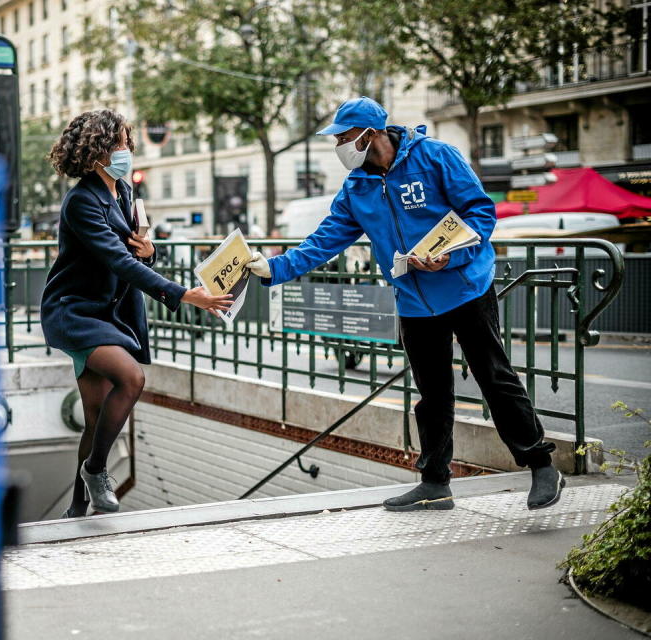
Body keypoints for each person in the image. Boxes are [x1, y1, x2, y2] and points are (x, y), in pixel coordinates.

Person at [246, 96, 564, 512]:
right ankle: (435, 482)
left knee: (494, 377)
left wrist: (451, 256)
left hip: (465, 287)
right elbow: (324, 240)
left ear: (370, 133)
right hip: (413, 300)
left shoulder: (435, 158)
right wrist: (275, 268)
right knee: (432, 395)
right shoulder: (357, 187)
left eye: (344, 137)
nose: (339, 145)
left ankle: (542, 465)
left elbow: (481, 213)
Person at [40, 110, 232, 518]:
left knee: (94, 417)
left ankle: (75, 508)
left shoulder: (123, 193)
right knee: (131, 378)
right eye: (123, 143)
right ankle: (96, 471)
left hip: (108, 312)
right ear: (98, 152)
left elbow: (132, 250)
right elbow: (117, 261)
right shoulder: (80, 202)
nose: (129, 149)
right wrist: (184, 294)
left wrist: (151, 251)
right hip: (74, 311)